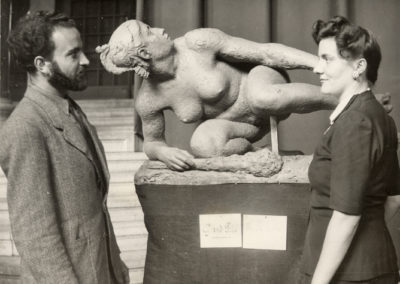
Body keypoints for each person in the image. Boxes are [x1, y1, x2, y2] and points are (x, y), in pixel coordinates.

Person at [96, 20, 342, 171]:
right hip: (243, 125)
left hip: (262, 83)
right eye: (150, 31)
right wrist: (162, 152)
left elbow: (265, 53)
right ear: (144, 53)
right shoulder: (149, 99)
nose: (160, 30)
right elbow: (152, 141)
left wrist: (319, 63)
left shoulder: (196, 43)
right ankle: (256, 155)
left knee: (261, 97)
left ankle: (342, 100)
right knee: (203, 145)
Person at [0, 11, 129, 283]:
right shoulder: (26, 127)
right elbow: (35, 235)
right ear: (42, 64)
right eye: (73, 54)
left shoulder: (71, 111)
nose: (85, 60)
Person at [301, 16, 400, 284]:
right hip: (365, 268)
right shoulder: (379, 117)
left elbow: (346, 215)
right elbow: (393, 198)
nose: (317, 68)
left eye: (327, 59)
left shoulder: (355, 122)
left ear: (359, 66)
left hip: (347, 274)